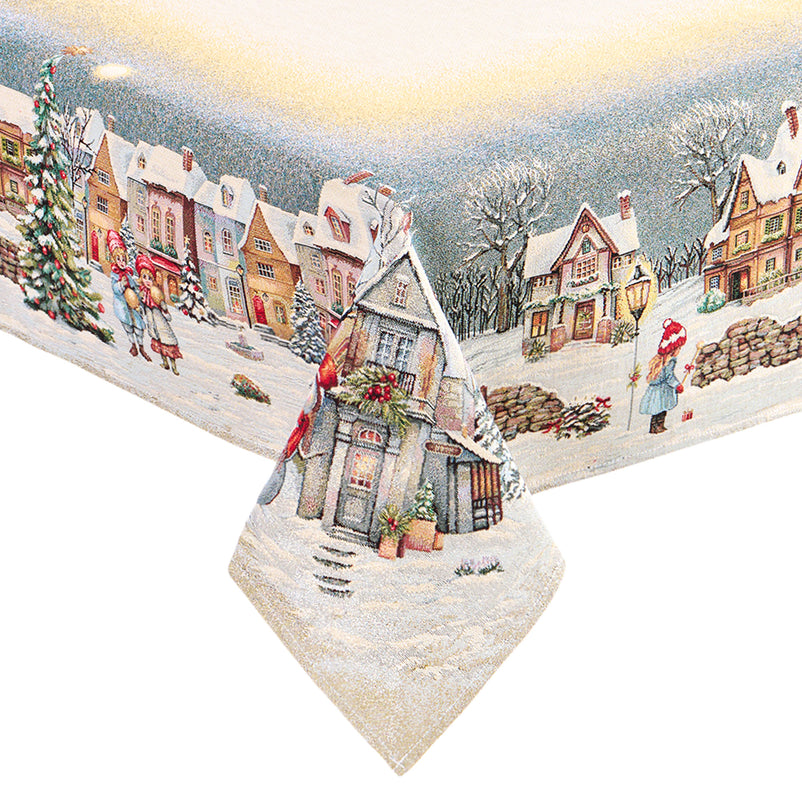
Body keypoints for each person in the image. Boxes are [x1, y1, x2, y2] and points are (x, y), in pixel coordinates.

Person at [136, 254, 183, 376]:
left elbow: (163, 308)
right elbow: (141, 306)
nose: (147, 281)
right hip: (152, 322)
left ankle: (173, 366)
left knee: (167, 342)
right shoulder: (143, 293)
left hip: (160, 322)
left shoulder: (155, 292)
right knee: (159, 342)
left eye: (150, 278)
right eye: (144, 278)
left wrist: (165, 309)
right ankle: (165, 363)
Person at [107, 230, 149, 361]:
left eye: (123, 259)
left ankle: (141, 346)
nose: (121, 262)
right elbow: (115, 288)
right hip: (123, 305)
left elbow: (134, 286)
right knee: (128, 326)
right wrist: (121, 285)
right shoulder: (115, 274)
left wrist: (138, 292)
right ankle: (133, 345)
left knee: (139, 326)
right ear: (114, 259)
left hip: (133, 305)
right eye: (118, 259)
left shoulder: (128, 272)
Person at [640, 318, 687, 434]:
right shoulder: (668, 362)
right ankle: (657, 427)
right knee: (661, 409)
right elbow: (669, 376)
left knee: (657, 410)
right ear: (673, 348)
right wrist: (677, 385)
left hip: (656, 390)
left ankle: (655, 427)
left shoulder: (661, 360)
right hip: (661, 391)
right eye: (679, 348)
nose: (679, 351)